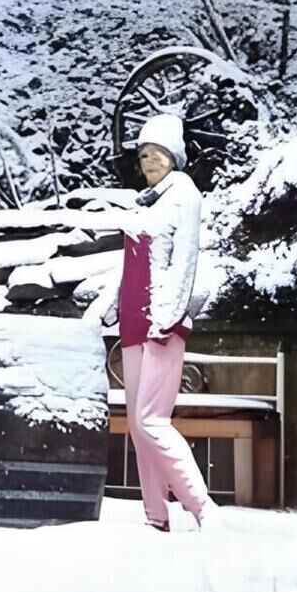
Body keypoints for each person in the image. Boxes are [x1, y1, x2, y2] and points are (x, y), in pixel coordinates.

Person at [93, 109, 218, 530]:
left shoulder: (184, 195)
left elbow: (184, 260)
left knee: (151, 420)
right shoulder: (143, 205)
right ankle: (155, 516)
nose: (149, 160)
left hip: (159, 323)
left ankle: (203, 509)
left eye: (158, 153)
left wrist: (166, 315)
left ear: (175, 157)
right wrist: (105, 309)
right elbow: (129, 267)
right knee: (137, 424)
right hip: (131, 325)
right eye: (144, 153)